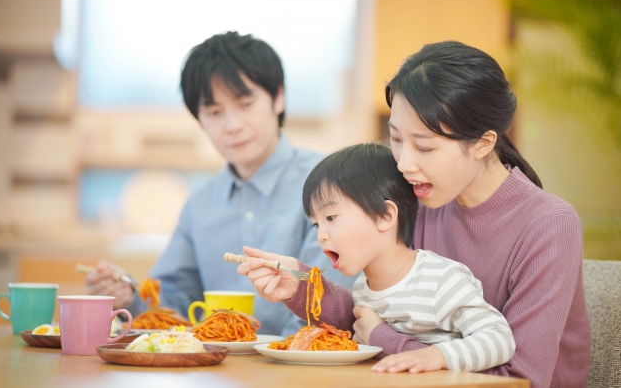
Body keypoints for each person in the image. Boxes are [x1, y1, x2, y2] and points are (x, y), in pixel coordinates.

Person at [237, 41, 590, 387]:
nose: (404, 164)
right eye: (396, 139)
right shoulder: (421, 201)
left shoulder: (549, 225)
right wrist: (301, 286)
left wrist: (388, 342)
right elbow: (372, 316)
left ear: (483, 143)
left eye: (424, 146)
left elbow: (519, 378)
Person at [84, 31, 355, 336]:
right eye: (214, 112)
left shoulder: (332, 185)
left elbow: (329, 306)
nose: (232, 125)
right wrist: (129, 298)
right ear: (199, 120)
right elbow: (173, 304)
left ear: (278, 97)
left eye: (245, 103)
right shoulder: (199, 205)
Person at [302, 142, 515, 372]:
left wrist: (436, 356)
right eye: (316, 224)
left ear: (384, 215)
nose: (321, 236)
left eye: (331, 218)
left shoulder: (440, 280)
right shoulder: (363, 289)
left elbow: (500, 339)